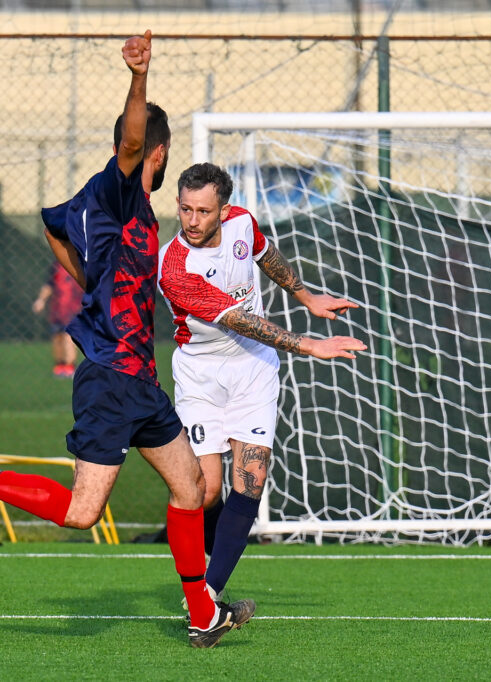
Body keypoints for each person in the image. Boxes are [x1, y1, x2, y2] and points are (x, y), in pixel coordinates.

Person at [0, 31, 251, 649]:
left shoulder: (103, 202)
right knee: (81, 513)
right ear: (163, 150)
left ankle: (202, 611)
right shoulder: (121, 190)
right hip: (109, 374)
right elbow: (129, 139)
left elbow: (52, 227)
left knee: (193, 489)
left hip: (138, 379)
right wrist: (139, 77)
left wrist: (91, 281)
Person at [158, 162, 367, 605]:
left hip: (253, 369)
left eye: (203, 211)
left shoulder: (243, 223)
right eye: (185, 210)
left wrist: (307, 297)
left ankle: (205, 595)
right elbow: (241, 321)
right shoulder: (175, 267)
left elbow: (264, 254)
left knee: (251, 478)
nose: (192, 221)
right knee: (204, 489)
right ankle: (199, 579)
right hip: (200, 376)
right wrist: (310, 345)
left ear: (223, 210)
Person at [32, 261, 82, 378]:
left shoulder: (82, 264)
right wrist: (41, 300)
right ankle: (60, 366)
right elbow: (49, 285)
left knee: (69, 337)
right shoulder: (57, 266)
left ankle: (70, 367)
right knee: (57, 338)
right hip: (58, 310)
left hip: (74, 309)